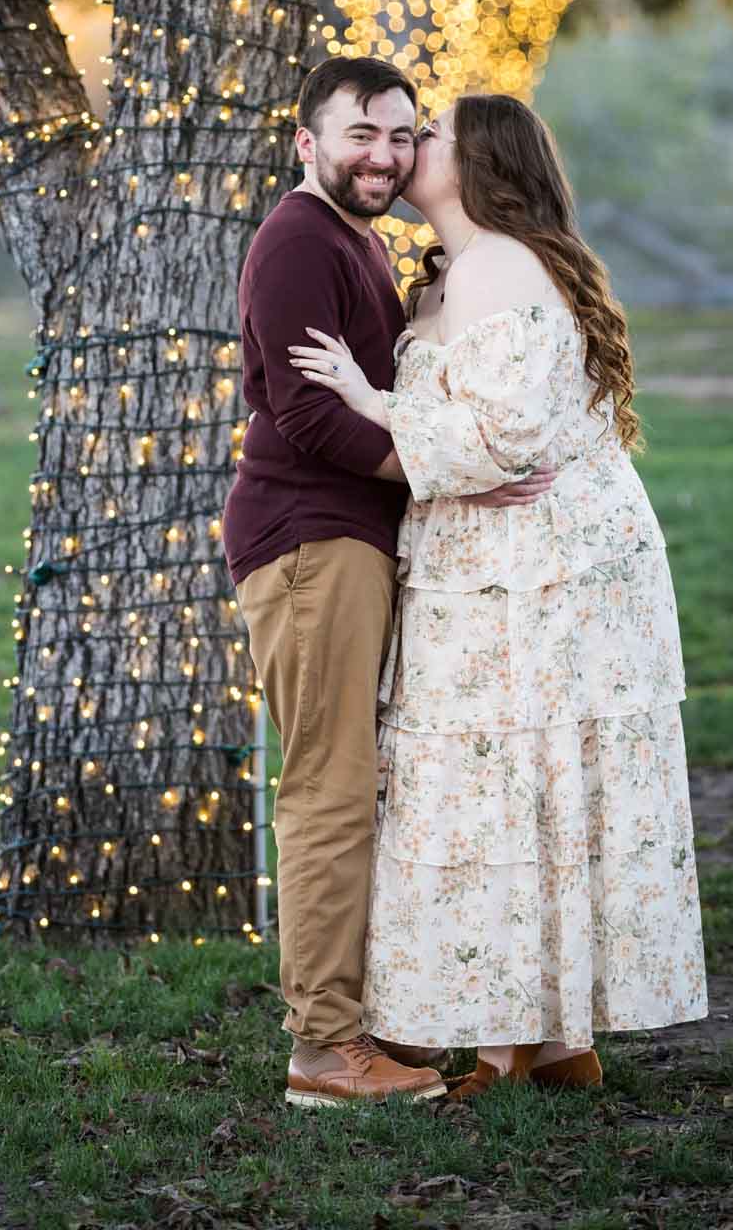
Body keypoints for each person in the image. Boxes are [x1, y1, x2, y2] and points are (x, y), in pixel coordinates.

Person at [289, 93, 708, 1098]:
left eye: (425, 133)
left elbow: (498, 440)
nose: (405, 147)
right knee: (507, 783)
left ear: (477, 160)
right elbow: (477, 432)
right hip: (487, 563)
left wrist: (362, 396)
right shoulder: (449, 276)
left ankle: (513, 1043)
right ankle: (553, 1038)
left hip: (539, 574)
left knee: (513, 783)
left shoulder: (498, 267)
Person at [222, 60, 554, 1109]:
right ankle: (325, 1052)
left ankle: (372, 1020)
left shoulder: (353, 238)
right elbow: (311, 419)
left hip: (355, 540)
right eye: (361, 133)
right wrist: (447, 471)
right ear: (305, 140)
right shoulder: (295, 241)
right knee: (326, 789)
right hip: (310, 541)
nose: (385, 154)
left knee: (357, 783)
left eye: (404, 135)